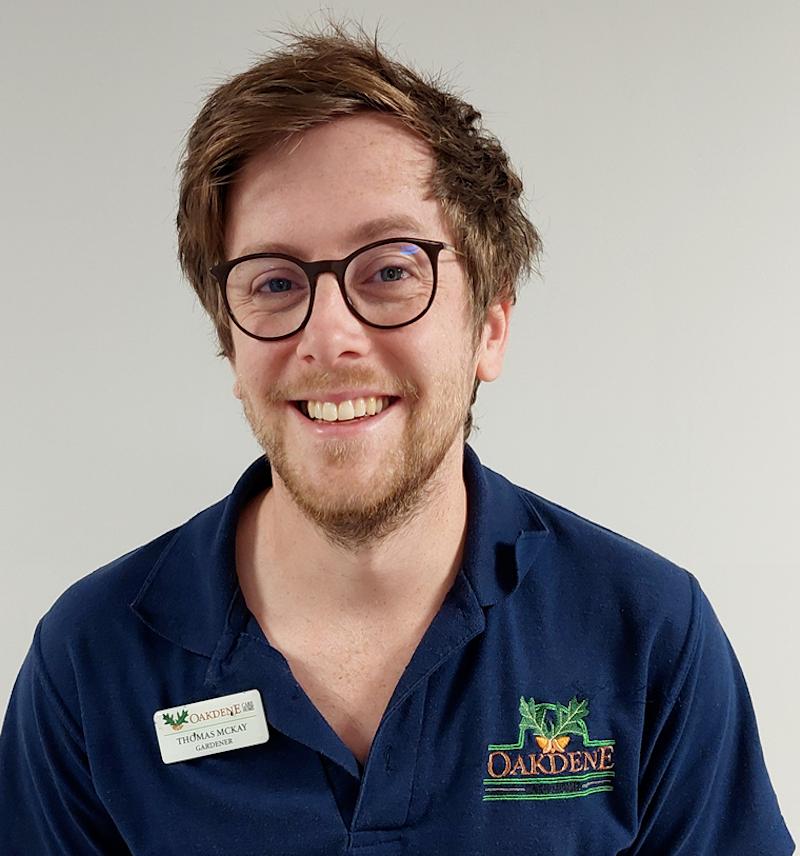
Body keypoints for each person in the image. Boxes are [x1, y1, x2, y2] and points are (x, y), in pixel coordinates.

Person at [0, 24, 793, 856]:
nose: (330, 336)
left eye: (389, 270)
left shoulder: (648, 636)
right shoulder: (91, 660)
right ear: (230, 347)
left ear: (489, 325)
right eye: (274, 282)